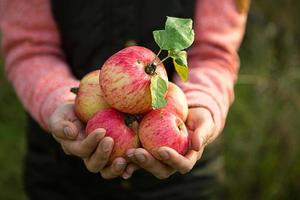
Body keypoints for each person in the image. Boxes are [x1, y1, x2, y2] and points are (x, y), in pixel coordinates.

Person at [0, 0, 249, 199]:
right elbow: (31, 47)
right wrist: (58, 100)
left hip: (182, 177)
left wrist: (200, 102)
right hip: (64, 173)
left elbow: (212, 53)